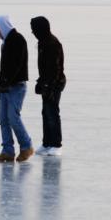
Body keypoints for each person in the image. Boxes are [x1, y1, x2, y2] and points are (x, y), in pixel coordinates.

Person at [0, 15, 34, 163]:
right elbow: (3, 68)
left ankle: (27, 146)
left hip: (16, 86)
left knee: (13, 118)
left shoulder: (17, 40)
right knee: (4, 120)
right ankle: (7, 151)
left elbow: (17, 65)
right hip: (5, 87)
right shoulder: (5, 43)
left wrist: (7, 82)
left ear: (3, 26)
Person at [30, 16, 66, 156]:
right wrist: (41, 82)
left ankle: (56, 144)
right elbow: (44, 68)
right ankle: (47, 143)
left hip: (55, 83)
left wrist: (50, 86)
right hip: (46, 83)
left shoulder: (52, 43)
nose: (32, 32)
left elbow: (56, 68)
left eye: (34, 29)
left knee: (52, 113)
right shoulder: (42, 42)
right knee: (46, 112)